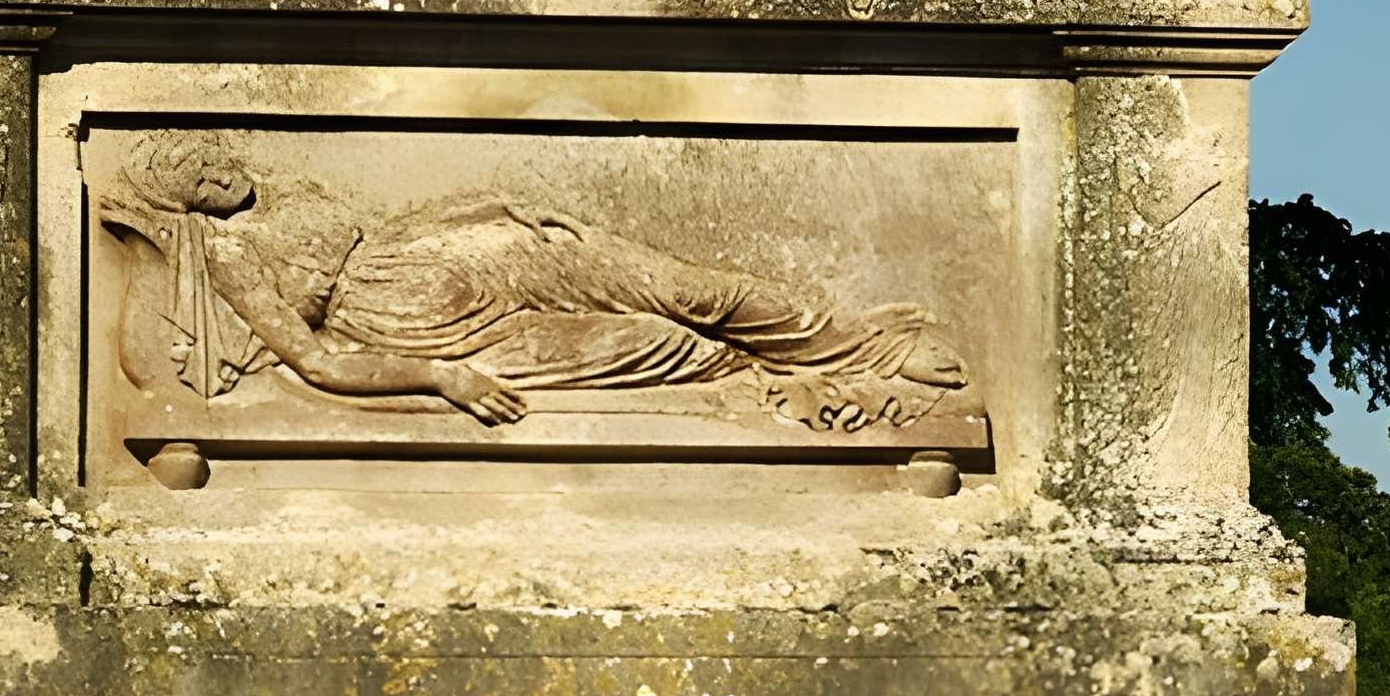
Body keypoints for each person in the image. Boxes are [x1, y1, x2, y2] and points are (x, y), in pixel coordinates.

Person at [95, 136, 977, 431]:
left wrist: (498, 200)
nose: (215, 169)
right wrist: (443, 377)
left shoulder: (289, 187)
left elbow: (396, 225)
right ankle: (812, 392)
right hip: (431, 331)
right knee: (665, 347)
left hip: (470, 250)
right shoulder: (230, 259)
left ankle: (867, 340)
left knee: (686, 287)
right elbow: (319, 364)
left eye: (208, 153)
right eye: (192, 177)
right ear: (183, 206)